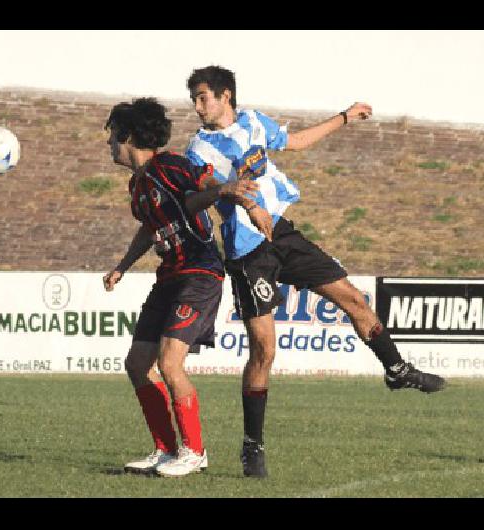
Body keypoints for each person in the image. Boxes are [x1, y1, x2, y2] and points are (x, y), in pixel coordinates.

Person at [183, 65, 446, 478]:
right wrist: (243, 202)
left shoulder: (253, 122)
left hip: (281, 234)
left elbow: (296, 141)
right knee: (264, 350)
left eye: (203, 97)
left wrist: (343, 117)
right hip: (247, 251)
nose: (197, 106)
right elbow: (203, 196)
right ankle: (252, 446)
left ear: (226, 95)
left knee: (354, 300)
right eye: (195, 99)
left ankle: (396, 370)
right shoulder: (199, 149)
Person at [101, 97, 264, 477]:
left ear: (127, 136)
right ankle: (165, 450)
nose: (109, 145)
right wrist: (122, 267)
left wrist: (226, 189)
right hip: (170, 276)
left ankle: (195, 452)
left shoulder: (168, 165)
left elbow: (200, 184)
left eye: (112, 138)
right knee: (138, 363)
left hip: (199, 274)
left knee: (170, 362)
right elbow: (149, 227)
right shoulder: (138, 185)